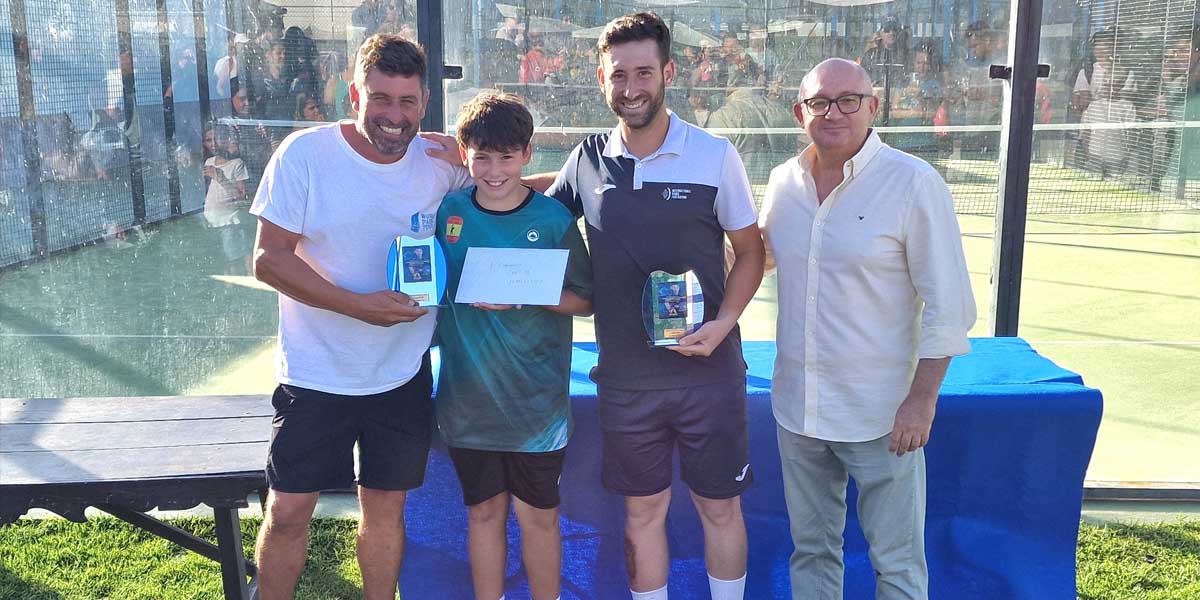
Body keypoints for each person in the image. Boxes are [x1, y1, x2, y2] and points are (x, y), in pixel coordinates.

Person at [541, 12, 765, 600]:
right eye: (619, 74)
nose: (632, 87)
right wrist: (474, 164)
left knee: (720, 511)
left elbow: (749, 252)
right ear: (601, 78)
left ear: (668, 72)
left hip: (707, 375)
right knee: (643, 515)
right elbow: (536, 205)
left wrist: (722, 325)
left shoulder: (715, 155)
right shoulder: (585, 160)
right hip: (627, 382)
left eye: (644, 72)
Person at [248, 34, 471, 600]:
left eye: (407, 102)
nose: (394, 116)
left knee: (386, 509)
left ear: (425, 102)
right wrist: (356, 306)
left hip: (400, 375)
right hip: (316, 375)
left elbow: (508, 192)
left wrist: (575, 187)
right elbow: (268, 260)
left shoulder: (443, 163)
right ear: (354, 93)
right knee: (290, 509)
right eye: (380, 98)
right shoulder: (305, 154)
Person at [758, 58, 976, 600]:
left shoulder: (913, 183)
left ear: (873, 107)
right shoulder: (783, 182)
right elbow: (754, 260)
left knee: (898, 563)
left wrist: (921, 402)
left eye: (848, 100)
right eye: (819, 103)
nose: (834, 112)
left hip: (882, 416)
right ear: (799, 112)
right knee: (811, 551)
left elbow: (950, 305)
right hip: (798, 410)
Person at [435, 91, 593, 600]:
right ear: (466, 155)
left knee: (538, 519)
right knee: (482, 514)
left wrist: (525, 291)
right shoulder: (449, 212)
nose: (494, 169)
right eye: (482, 156)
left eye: (506, 156)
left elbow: (585, 302)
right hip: (468, 402)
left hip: (535, 406)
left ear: (527, 154)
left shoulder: (552, 221)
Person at [203, 125, 251, 274]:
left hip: (229, 220)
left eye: (216, 139)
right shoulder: (209, 162)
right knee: (223, 259)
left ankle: (247, 281)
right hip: (212, 220)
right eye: (209, 140)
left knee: (235, 256)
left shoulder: (237, 164)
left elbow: (241, 195)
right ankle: (228, 288)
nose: (213, 144)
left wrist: (220, 177)